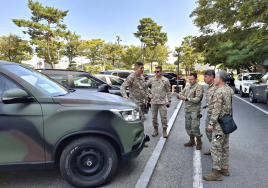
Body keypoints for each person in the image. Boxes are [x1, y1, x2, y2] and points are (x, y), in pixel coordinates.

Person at [203, 70, 234, 181]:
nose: (215, 79)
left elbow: (217, 109)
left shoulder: (219, 91)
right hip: (227, 123)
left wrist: (211, 124)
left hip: (219, 125)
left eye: (216, 77)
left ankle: (216, 173)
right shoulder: (229, 90)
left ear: (219, 79)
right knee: (225, 145)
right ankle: (224, 168)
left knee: (216, 147)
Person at [120, 62, 150, 147]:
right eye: (141, 68)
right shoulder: (131, 77)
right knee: (137, 122)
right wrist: (125, 95)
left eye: (143, 68)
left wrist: (147, 100)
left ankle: (139, 140)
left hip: (142, 102)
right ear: (136, 68)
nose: (142, 70)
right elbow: (122, 87)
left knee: (141, 121)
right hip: (135, 103)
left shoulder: (142, 77)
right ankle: (138, 142)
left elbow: (145, 89)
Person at [176, 73, 204, 150]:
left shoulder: (199, 87)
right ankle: (192, 141)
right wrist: (179, 95)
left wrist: (186, 99)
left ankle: (199, 141)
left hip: (195, 110)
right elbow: (183, 94)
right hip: (187, 109)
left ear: (196, 79)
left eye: (192, 79)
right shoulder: (187, 86)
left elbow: (197, 99)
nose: (190, 81)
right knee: (188, 126)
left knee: (195, 126)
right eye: (189, 79)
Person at [146, 66, 171, 138]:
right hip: (154, 102)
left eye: (157, 71)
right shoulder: (152, 80)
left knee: (164, 117)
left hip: (162, 103)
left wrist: (169, 100)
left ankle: (164, 130)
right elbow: (144, 87)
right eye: (155, 71)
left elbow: (168, 91)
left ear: (161, 72)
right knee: (154, 118)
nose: (156, 73)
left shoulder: (165, 80)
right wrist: (148, 94)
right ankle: (155, 130)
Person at [202, 70, 218, 155]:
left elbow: (218, 104)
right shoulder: (210, 86)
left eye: (206, 76)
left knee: (217, 134)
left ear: (212, 77)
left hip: (216, 115)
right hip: (210, 113)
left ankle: (218, 148)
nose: (204, 78)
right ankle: (213, 147)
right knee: (208, 131)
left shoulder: (216, 87)